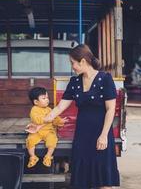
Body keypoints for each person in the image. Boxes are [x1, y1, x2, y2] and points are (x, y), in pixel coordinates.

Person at [29, 44, 120, 188]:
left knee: (103, 178)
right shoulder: (75, 82)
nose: (72, 67)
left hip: (100, 133)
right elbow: (60, 107)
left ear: (83, 61)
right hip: (82, 134)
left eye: (73, 63)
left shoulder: (105, 79)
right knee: (81, 179)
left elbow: (110, 109)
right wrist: (42, 122)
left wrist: (103, 136)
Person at [25, 87, 67, 168]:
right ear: (36, 102)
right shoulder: (34, 110)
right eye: (44, 98)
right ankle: (33, 156)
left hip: (49, 131)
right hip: (37, 131)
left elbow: (55, 119)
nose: (47, 100)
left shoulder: (49, 109)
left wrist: (60, 121)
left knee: (52, 141)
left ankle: (48, 156)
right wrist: (46, 119)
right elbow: (36, 119)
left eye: (47, 97)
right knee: (30, 140)